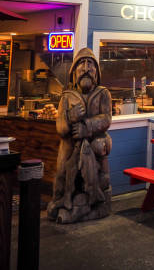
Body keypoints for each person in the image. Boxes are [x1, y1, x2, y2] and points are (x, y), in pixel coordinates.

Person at [47, 47, 112, 224]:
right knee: (61, 173)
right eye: (81, 65)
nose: (85, 69)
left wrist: (87, 126)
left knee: (92, 168)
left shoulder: (103, 93)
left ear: (96, 72)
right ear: (73, 72)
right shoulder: (67, 97)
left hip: (92, 145)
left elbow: (106, 118)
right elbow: (60, 127)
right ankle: (60, 200)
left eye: (90, 64)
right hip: (68, 147)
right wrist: (69, 116)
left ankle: (90, 202)